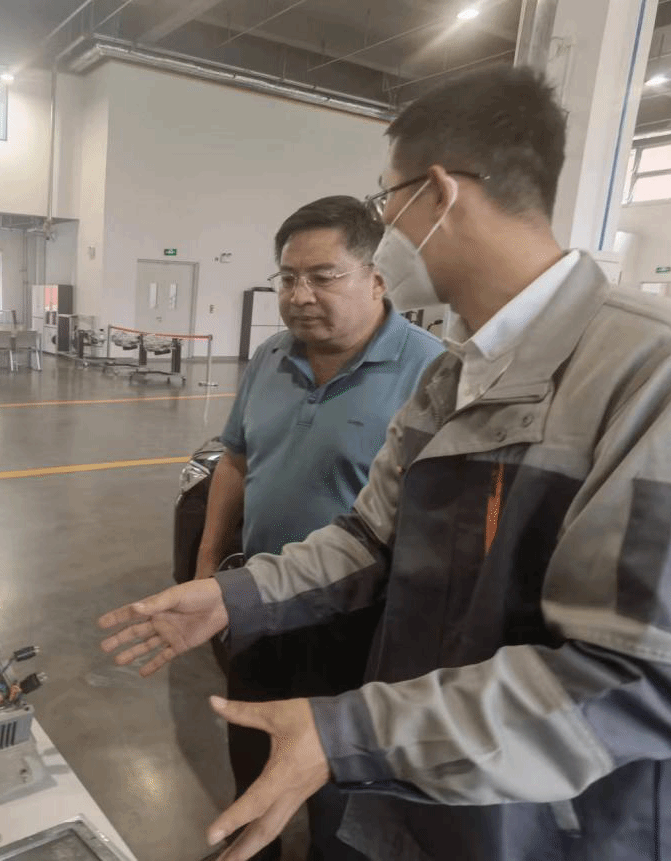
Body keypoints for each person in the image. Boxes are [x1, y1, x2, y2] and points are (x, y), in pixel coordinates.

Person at [99, 65, 671, 861]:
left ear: (438, 193)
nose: (383, 226)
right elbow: (369, 540)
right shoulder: (456, 377)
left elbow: (638, 677)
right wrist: (234, 594)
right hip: (437, 794)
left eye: (384, 200)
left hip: (567, 827)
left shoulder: (667, 372)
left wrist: (350, 731)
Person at [197, 196, 442, 861]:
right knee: (251, 759)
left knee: (342, 797)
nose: (299, 295)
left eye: (323, 276)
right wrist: (208, 567)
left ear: (376, 278)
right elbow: (235, 461)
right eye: (287, 278)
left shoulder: (433, 374)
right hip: (258, 606)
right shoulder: (271, 356)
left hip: (360, 629)